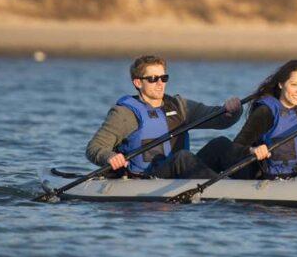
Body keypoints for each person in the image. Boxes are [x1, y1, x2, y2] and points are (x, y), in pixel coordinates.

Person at [86, 55, 242, 179]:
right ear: (138, 83)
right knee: (183, 157)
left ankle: (253, 180)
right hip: (147, 178)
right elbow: (94, 147)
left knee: (220, 144)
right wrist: (109, 157)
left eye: (163, 78)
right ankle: (221, 188)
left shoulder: (180, 106)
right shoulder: (125, 114)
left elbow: (222, 120)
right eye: (153, 79)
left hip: (181, 171)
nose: (160, 83)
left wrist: (233, 110)